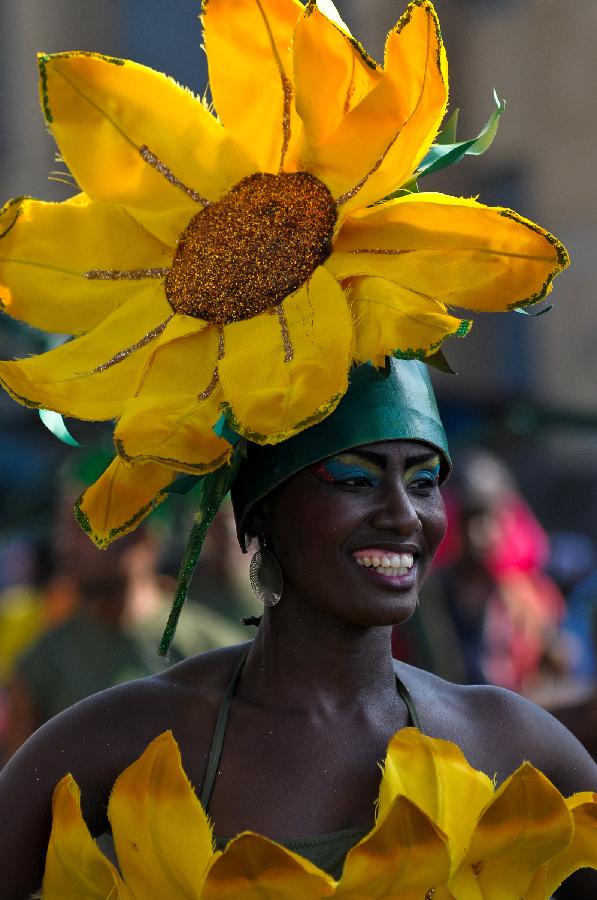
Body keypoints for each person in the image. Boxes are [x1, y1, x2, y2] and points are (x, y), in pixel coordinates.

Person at [0, 1, 594, 897]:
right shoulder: (113, 748)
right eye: (355, 477)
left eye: (423, 478)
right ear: (261, 510)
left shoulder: (515, 750)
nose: (404, 514)